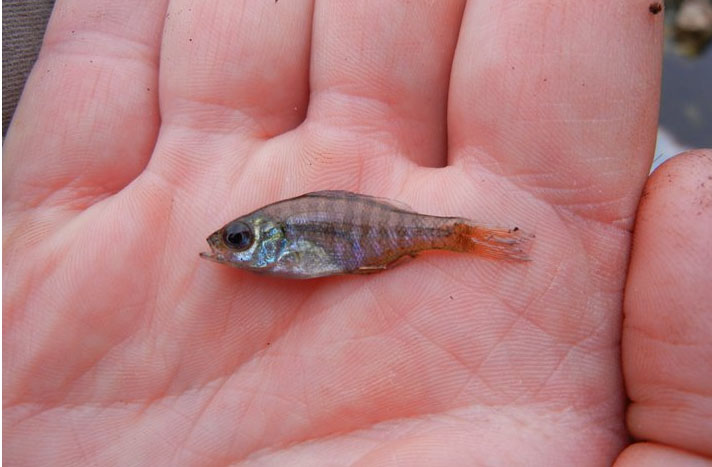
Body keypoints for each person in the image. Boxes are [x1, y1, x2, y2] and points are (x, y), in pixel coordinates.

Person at [3, 1, 710, 465]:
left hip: (408, 233)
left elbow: (330, 252)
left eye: (241, 240)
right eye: (237, 239)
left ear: (272, 238)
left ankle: (465, 235)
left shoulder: (296, 238)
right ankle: (464, 235)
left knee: (443, 232)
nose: (230, 250)